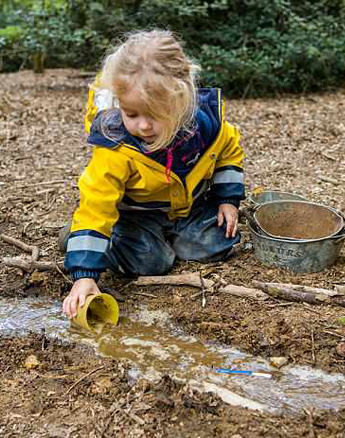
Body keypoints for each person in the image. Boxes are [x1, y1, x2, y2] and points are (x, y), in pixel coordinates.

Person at [62, 30, 245, 318]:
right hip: (135, 216)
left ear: (181, 99)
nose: (144, 126)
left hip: (187, 208)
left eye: (155, 114)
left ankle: (168, 238)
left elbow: (228, 153)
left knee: (221, 241)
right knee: (152, 262)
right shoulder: (115, 147)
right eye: (132, 114)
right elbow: (96, 205)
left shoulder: (207, 126)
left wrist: (227, 199)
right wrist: (85, 276)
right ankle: (83, 243)